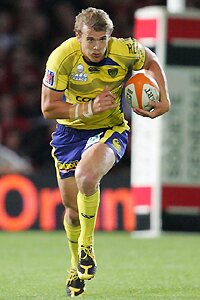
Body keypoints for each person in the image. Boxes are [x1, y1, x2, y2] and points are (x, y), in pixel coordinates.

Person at [41, 7, 170, 297]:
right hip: (69, 133)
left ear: (109, 37)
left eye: (102, 39)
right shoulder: (61, 57)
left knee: (87, 176)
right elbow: (48, 108)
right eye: (90, 40)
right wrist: (87, 108)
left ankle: (87, 248)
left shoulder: (125, 50)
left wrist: (165, 98)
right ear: (78, 37)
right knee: (72, 211)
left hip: (110, 129)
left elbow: (151, 61)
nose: (97, 47)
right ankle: (76, 264)